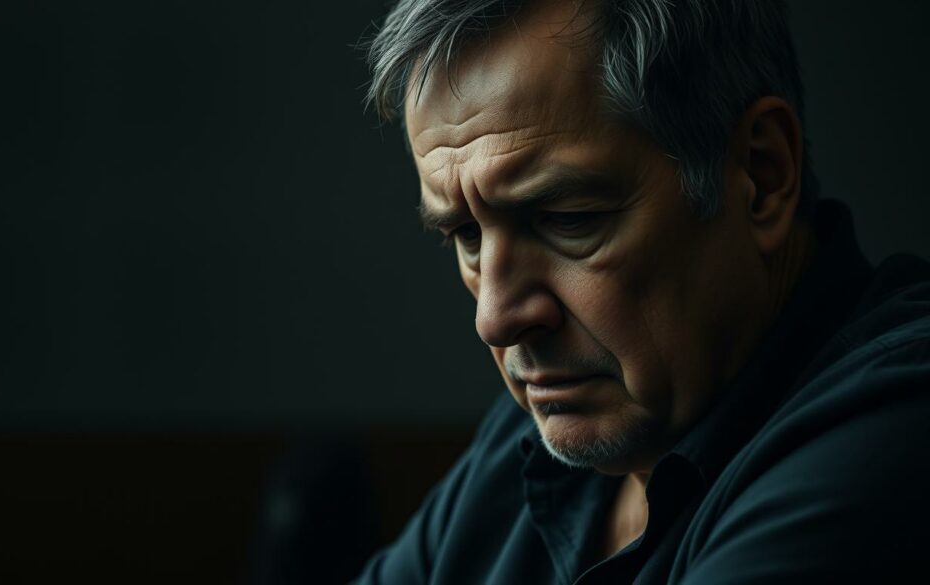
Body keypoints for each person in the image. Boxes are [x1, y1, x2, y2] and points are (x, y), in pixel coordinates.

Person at [352, 0, 930, 583]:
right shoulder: (523, 439)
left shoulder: (898, 428)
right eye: (467, 233)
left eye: (568, 218)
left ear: (761, 175)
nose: (495, 318)